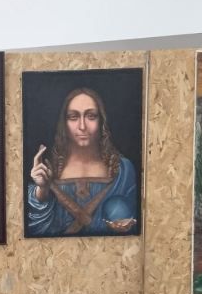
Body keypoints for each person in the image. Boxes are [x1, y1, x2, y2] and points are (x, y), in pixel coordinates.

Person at [27, 87, 138, 236]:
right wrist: (42, 190)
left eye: (91, 116)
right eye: (73, 117)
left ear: (101, 121)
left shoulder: (123, 170)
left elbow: (134, 224)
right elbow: (36, 231)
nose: (82, 126)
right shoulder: (47, 168)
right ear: (64, 123)